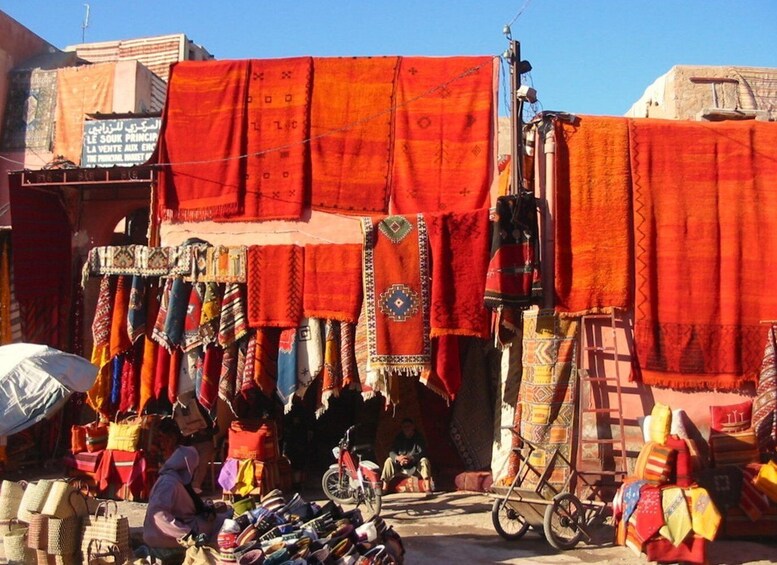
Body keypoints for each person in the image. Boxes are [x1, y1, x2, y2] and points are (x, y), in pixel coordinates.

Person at [142, 445, 229, 562]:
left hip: (183, 526)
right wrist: (186, 534)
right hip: (166, 535)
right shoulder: (168, 483)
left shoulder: (177, 480)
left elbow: (187, 504)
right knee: (224, 524)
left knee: (226, 516)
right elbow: (158, 514)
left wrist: (206, 508)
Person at [381, 418, 434, 491]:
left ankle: (428, 488)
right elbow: (392, 452)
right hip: (401, 467)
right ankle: (384, 488)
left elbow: (422, 452)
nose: (406, 429)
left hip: (415, 467)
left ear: (413, 427)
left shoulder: (418, 437)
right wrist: (398, 458)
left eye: (408, 426)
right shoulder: (399, 438)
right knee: (389, 460)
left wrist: (411, 458)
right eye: (404, 427)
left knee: (424, 461)